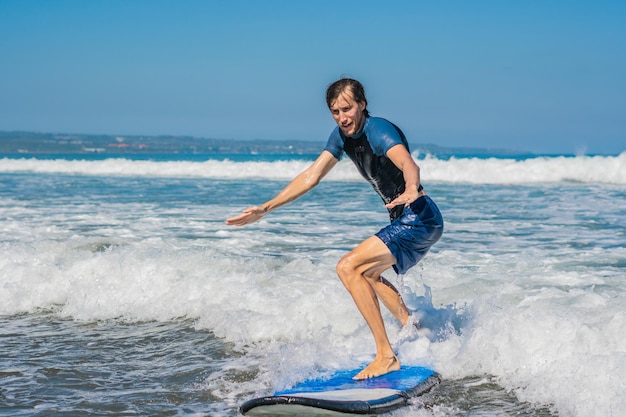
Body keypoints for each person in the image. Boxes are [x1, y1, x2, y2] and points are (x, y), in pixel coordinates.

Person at [226, 78, 443, 379]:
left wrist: (411, 189)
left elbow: (408, 164)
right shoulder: (342, 137)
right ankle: (416, 332)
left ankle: (385, 356)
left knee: (347, 267)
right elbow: (311, 176)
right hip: (412, 220)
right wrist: (266, 208)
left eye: (347, 108)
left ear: (362, 105)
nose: (342, 117)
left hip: (418, 216)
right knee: (367, 273)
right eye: (334, 111)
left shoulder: (378, 130)